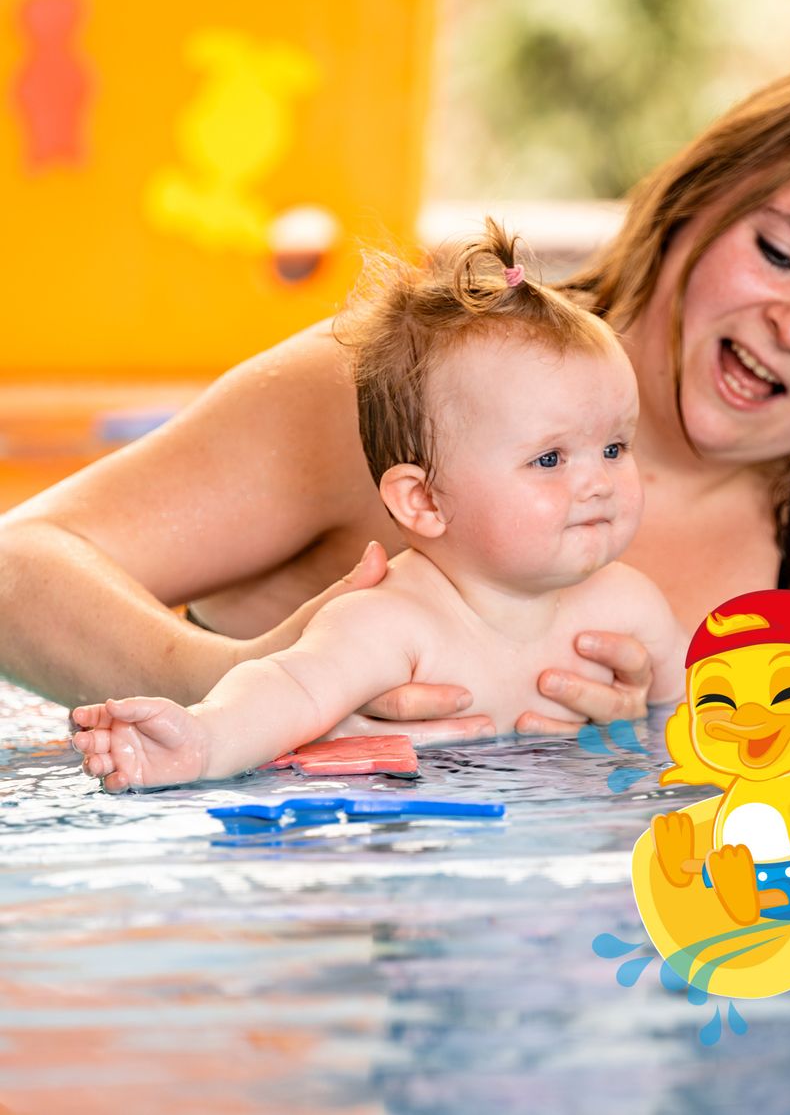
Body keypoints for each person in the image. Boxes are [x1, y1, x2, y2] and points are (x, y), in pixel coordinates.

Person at [0, 56, 790, 740]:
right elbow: (18, 569)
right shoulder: (397, 390)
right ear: (696, 204)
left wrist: (637, 766)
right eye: (778, 252)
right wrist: (244, 687)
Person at [70, 227, 686, 790]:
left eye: (614, 447)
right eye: (550, 459)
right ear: (423, 500)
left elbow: (699, 720)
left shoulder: (628, 607)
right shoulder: (396, 621)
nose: (599, 482)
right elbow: (286, 685)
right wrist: (203, 742)